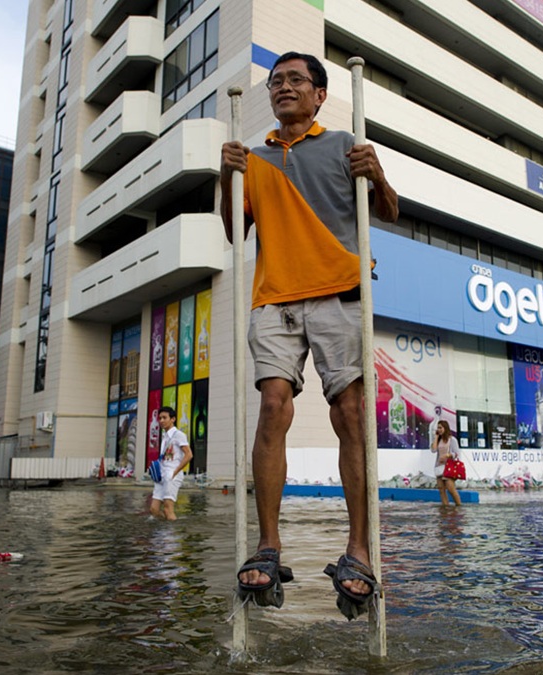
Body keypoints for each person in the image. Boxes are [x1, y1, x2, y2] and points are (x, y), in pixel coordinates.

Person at [220, 51, 398, 615]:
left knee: (349, 411)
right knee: (273, 406)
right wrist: (224, 175)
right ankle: (269, 544)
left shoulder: (346, 142)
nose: (283, 87)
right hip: (274, 297)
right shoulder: (254, 157)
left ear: (320, 94)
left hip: (339, 292)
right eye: (276, 82)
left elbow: (387, 213)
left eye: (296, 80)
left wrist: (379, 176)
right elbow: (233, 231)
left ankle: (359, 549)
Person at [150, 406, 193, 521]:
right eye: (160, 418)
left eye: (164, 418)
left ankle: (170, 537)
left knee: (168, 509)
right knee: (154, 510)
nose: (161, 421)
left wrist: (175, 472)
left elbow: (189, 455)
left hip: (172, 474)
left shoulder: (179, 435)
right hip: (161, 475)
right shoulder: (164, 436)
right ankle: (166, 530)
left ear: (173, 419)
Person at [431, 420, 463, 506]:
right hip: (439, 466)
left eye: (441, 427)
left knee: (450, 488)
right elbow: (433, 450)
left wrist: (447, 455)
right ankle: (445, 507)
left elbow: (457, 453)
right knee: (441, 489)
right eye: (438, 428)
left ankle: (459, 506)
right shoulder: (438, 440)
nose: (439, 429)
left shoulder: (452, 440)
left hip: (448, 467)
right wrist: (436, 437)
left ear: (445, 428)